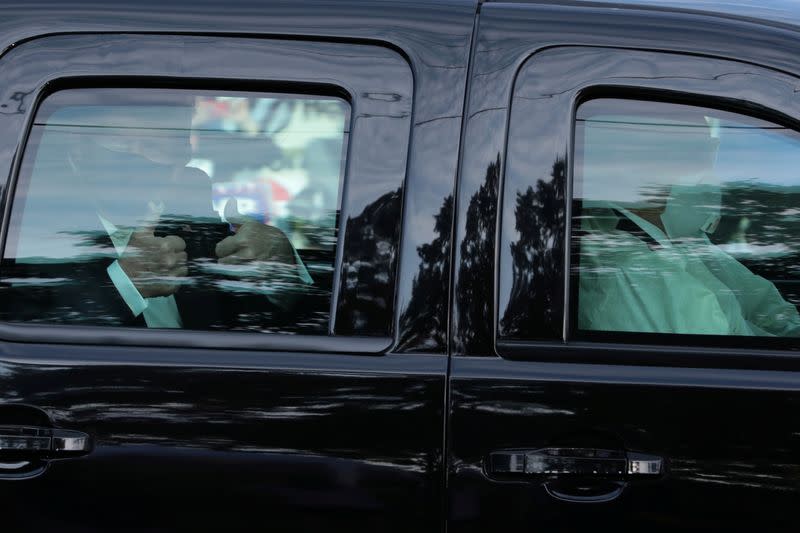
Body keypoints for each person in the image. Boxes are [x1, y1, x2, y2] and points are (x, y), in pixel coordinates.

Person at [1, 91, 313, 330]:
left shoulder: (189, 212)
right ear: (78, 148)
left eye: (177, 147)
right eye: (142, 147)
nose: (170, 168)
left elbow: (265, 329)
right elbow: (26, 336)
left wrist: (281, 271)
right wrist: (124, 286)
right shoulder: (28, 223)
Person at [576, 116, 800, 337]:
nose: (708, 170)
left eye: (710, 150)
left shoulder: (684, 242)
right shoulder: (630, 272)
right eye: (695, 152)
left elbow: (768, 308)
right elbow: (735, 364)